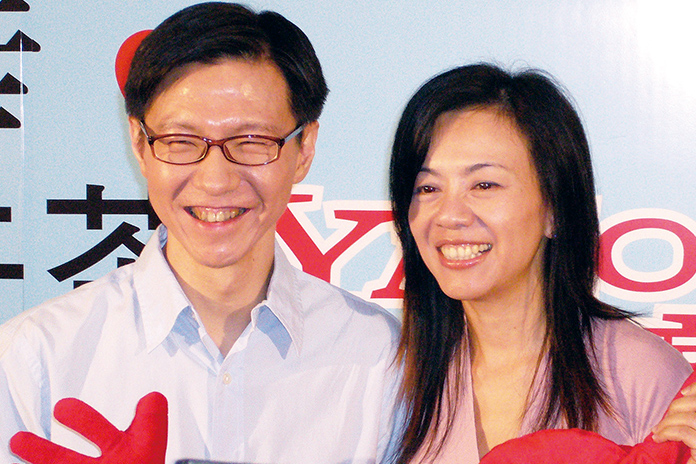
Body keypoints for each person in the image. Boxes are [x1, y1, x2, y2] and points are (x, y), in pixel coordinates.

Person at [0, 3, 400, 463]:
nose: (215, 180)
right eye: (180, 141)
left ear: (304, 148)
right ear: (139, 144)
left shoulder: (380, 356)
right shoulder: (37, 357)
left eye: (251, 142)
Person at [387, 62, 694, 463]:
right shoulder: (392, 379)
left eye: (484, 185)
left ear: (554, 209)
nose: (449, 215)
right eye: (427, 188)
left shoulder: (637, 373)